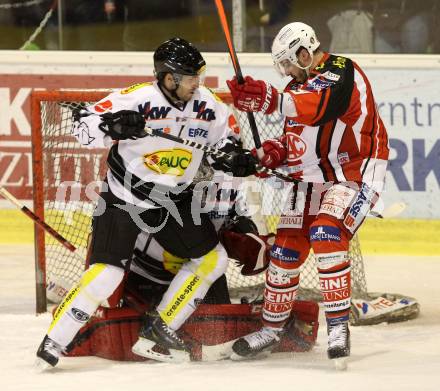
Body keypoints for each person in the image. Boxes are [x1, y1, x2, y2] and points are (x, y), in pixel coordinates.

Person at [35, 37, 258, 369]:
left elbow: (227, 139)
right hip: (124, 197)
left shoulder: (208, 105)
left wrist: (233, 156)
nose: (198, 83)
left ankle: (161, 330)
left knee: (212, 260)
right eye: (191, 77)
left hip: (173, 200)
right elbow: (82, 125)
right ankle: (55, 339)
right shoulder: (137, 98)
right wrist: (111, 125)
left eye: (200, 75)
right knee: (106, 274)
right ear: (169, 78)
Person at [226, 22, 389, 366]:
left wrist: (269, 99)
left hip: (355, 174)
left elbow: (319, 106)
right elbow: (294, 143)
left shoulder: (343, 72)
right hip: (311, 180)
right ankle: (272, 330)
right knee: (285, 250)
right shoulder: (296, 89)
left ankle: (338, 327)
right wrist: (267, 154)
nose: (286, 71)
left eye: (287, 63)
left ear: (304, 53)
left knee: (326, 232)